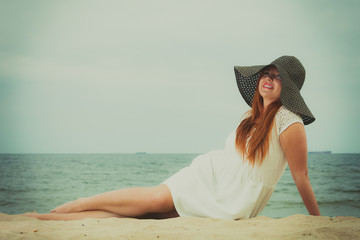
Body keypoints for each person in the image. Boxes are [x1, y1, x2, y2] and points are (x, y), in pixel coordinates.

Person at [25, 55, 320, 221]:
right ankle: (80, 203)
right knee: (153, 199)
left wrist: (318, 222)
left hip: (234, 199)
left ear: (289, 87)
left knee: (145, 216)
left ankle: (53, 219)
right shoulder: (250, 118)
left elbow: (301, 175)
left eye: (277, 76)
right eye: (265, 73)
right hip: (210, 178)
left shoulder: (289, 123)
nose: (268, 78)